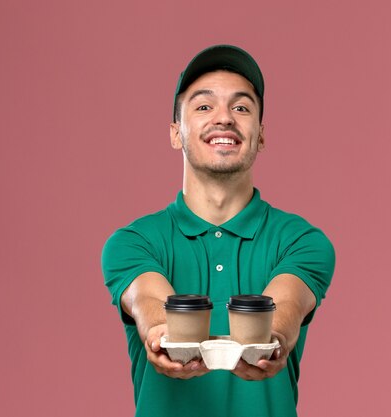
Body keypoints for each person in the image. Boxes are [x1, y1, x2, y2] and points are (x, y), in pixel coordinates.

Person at [102, 44, 335, 417]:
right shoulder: (133, 243)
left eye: (241, 107)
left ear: (260, 134)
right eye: (204, 106)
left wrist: (271, 339)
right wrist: (161, 334)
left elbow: (285, 309)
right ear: (176, 133)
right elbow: (149, 303)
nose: (224, 118)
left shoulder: (302, 241)